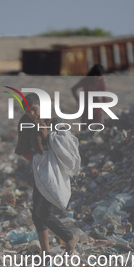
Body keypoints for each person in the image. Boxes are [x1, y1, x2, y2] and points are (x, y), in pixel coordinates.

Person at [15, 93, 79, 257]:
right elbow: (23, 147)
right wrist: (36, 155)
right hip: (39, 170)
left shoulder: (56, 122)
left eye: (34, 109)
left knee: (43, 212)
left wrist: (46, 135)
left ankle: (70, 237)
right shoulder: (26, 122)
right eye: (28, 112)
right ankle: (46, 252)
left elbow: (65, 147)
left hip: (53, 171)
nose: (32, 114)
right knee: (37, 214)